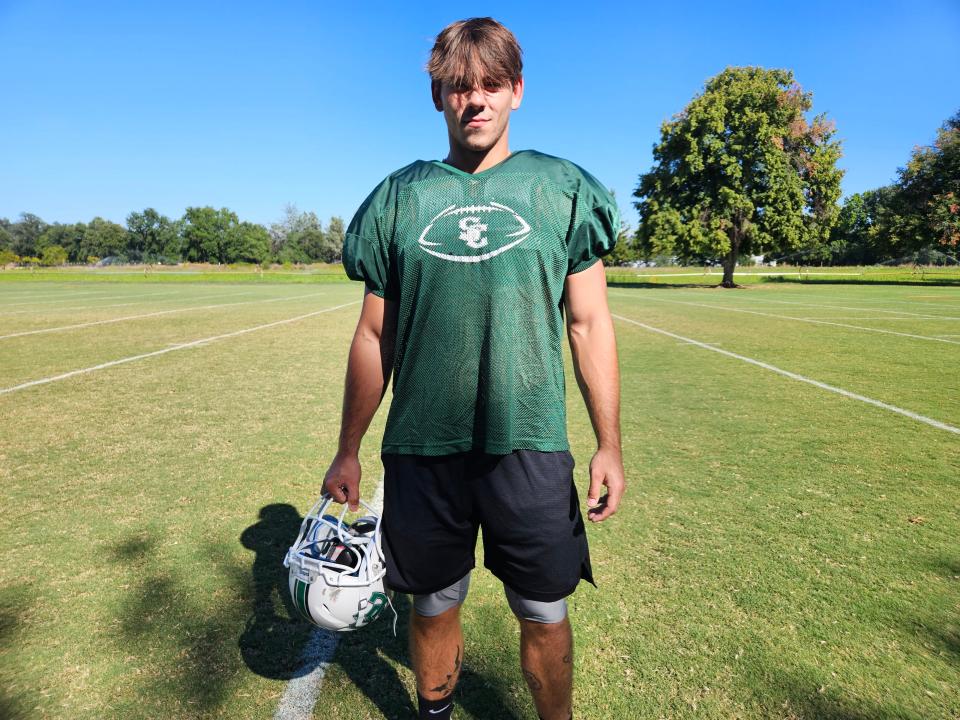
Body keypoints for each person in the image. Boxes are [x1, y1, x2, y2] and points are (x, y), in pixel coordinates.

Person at [324, 17, 625, 720]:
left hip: (530, 439)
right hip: (425, 443)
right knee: (433, 604)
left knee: (544, 610)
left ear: (517, 91)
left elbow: (589, 324)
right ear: (439, 98)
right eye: (461, 88)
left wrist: (608, 443)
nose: (477, 100)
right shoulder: (401, 196)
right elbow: (373, 335)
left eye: (492, 85)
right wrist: (347, 447)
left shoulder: (563, 188)